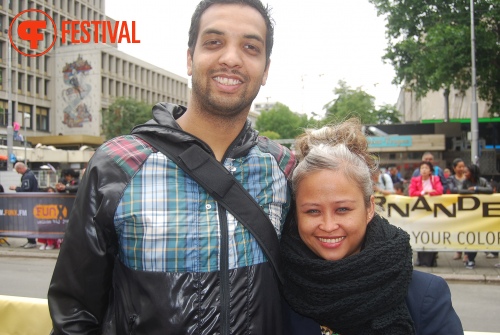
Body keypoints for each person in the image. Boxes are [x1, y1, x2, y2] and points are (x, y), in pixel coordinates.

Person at [48, 1, 295, 334]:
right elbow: (74, 311)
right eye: (214, 42)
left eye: (251, 47)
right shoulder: (116, 166)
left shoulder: (284, 169)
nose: (232, 58)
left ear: (265, 69)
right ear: (190, 59)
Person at [280, 118, 463, 335]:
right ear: (296, 214)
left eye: (342, 209)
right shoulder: (273, 292)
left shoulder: (425, 295)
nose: (328, 226)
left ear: (369, 208)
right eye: (312, 211)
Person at [409, 161, 443, 267]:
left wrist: (429, 192)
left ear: (430, 171)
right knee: (420, 232)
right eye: (422, 168)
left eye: (426, 168)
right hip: (420, 212)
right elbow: (412, 193)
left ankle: (433, 258)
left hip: (433, 212)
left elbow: (439, 191)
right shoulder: (415, 180)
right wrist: (425, 192)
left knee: (433, 233)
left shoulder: (435, 179)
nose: (424, 170)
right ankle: (420, 258)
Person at [459, 164, 493, 269]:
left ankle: (472, 257)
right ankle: (470, 258)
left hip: (481, 214)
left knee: (477, 235)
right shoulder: (465, 182)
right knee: (470, 235)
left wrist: (476, 188)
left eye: (466, 172)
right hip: (468, 214)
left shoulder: (482, 181)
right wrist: (473, 192)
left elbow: (490, 190)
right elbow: (460, 191)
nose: (464, 174)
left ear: (473, 172)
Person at [9, 162, 39, 249]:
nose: (18, 173)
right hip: (31, 202)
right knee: (29, 222)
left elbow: (25, 191)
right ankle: (30, 240)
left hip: (29, 203)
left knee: (29, 222)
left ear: (20, 168)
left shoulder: (27, 176)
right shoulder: (30, 174)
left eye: (17, 170)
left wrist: (16, 188)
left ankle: (31, 241)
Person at [447, 158, 467, 260]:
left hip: (468, 208)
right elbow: (453, 190)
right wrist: (466, 191)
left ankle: (468, 253)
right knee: (458, 229)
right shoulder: (451, 179)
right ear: (454, 168)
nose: (462, 168)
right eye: (459, 167)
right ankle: (458, 251)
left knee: (468, 228)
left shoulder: (468, 177)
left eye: (463, 166)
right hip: (456, 208)